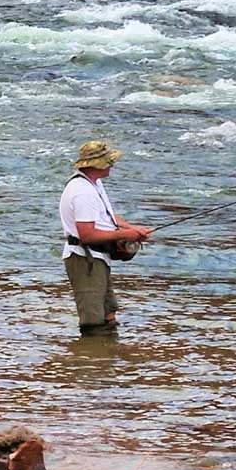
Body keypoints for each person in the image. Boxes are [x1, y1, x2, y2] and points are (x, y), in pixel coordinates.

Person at [59, 139, 152, 335]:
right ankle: (91, 359)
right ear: (95, 165)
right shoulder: (82, 192)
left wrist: (133, 229)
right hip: (85, 260)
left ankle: (107, 355)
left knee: (109, 312)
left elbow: (107, 215)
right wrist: (127, 234)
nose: (112, 165)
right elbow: (87, 235)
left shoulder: (95, 184)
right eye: (108, 161)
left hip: (98, 258)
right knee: (93, 320)